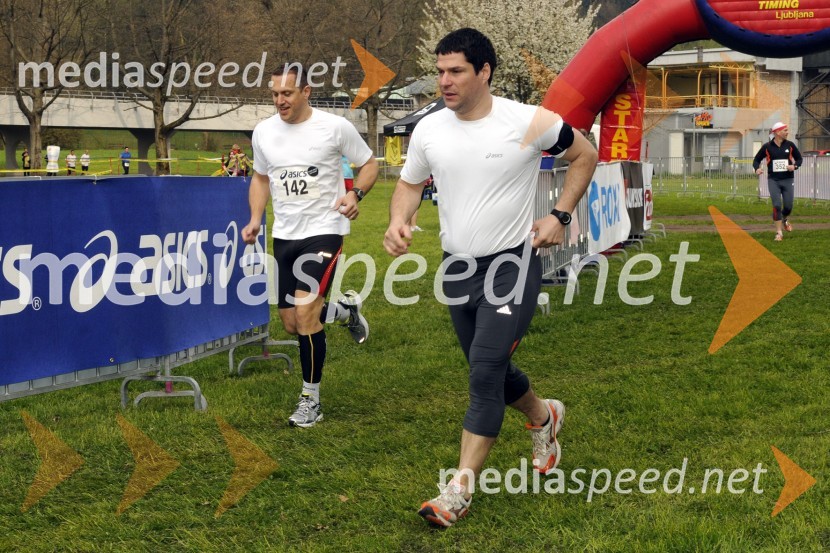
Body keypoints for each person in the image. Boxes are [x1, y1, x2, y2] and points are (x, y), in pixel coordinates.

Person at [383, 28, 597, 528]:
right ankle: (544, 415)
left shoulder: (528, 120)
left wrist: (560, 216)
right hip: (456, 267)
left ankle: (457, 490)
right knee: (493, 372)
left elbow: (584, 155)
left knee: (483, 372)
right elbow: (410, 185)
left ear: (484, 72)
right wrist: (398, 219)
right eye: (439, 72)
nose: (444, 82)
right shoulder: (430, 130)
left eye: (455, 71)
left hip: (510, 264)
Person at [241, 64, 379, 428]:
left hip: (324, 230)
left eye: (286, 93)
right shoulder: (264, 132)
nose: (279, 101)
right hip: (285, 235)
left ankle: (310, 401)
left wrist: (356, 194)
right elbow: (259, 178)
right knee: (291, 323)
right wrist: (256, 218)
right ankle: (346, 312)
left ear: (306, 91)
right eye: (274, 94)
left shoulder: (334, 127)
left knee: (305, 315)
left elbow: (369, 164)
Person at [753, 122, 803, 241]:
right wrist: (757, 168)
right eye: (785, 130)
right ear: (777, 132)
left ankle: (784, 219)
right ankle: (779, 233)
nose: (787, 132)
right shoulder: (767, 147)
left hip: (788, 179)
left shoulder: (790, 145)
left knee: (788, 206)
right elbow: (756, 159)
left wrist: (794, 166)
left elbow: (799, 159)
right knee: (776, 205)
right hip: (773, 180)